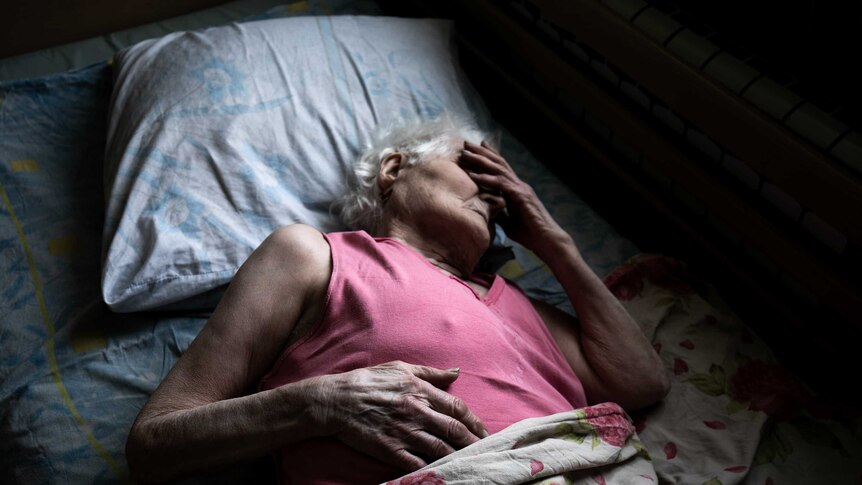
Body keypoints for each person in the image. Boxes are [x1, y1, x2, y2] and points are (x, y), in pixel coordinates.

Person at [125, 115, 670, 484]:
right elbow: (155, 442)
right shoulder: (314, 255)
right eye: (474, 169)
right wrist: (317, 405)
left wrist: (555, 242)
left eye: (504, 195)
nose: (495, 195)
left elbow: (642, 383)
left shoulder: (515, 302)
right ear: (394, 169)